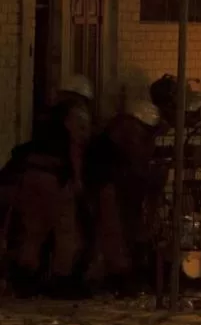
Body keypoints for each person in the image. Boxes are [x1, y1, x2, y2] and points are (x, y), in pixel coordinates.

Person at [9, 91, 92, 299]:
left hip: (30, 175)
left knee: (33, 231)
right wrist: (77, 179)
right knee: (66, 231)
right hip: (54, 178)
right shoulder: (75, 115)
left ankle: (25, 279)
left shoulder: (46, 117)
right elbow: (75, 146)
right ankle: (61, 280)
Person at [83, 99, 162, 297]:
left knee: (112, 233)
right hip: (106, 186)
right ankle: (117, 276)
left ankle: (114, 276)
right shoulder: (123, 138)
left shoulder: (112, 137)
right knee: (112, 232)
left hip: (111, 187)